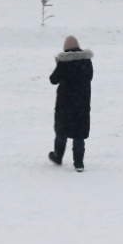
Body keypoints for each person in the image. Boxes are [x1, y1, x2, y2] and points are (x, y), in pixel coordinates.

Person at [48, 36, 93, 171]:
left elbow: (53, 79)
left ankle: (58, 156)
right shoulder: (87, 62)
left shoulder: (63, 63)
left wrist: (59, 65)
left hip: (65, 104)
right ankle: (79, 163)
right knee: (79, 133)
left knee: (61, 130)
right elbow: (89, 77)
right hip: (82, 103)